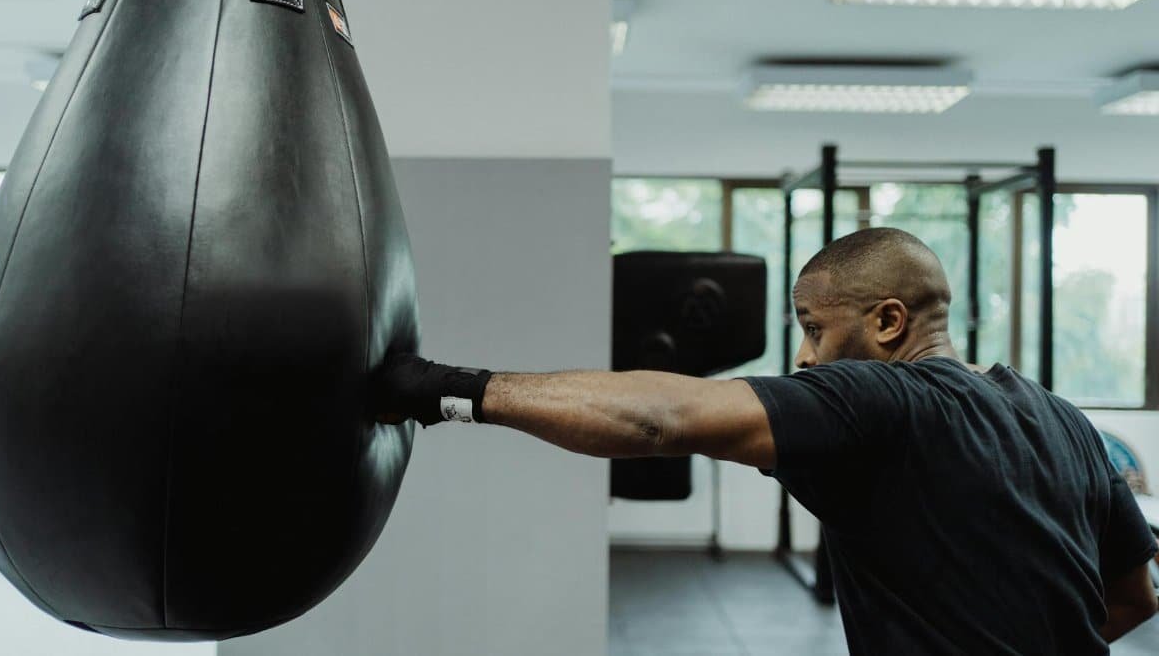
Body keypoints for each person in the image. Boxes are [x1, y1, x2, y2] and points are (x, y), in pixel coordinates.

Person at [375, 227, 1158, 655]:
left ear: (888, 321)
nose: (808, 356)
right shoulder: (1064, 420)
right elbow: (1132, 598)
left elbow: (659, 419)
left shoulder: (883, 398)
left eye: (816, 328)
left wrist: (444, 387)